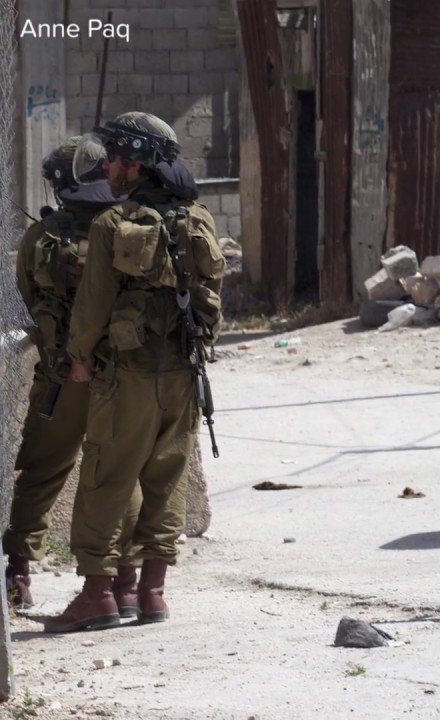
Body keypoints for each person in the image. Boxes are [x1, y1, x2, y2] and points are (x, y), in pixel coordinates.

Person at [45, 112, 225, 633]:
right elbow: (213, 295)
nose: (111, 167)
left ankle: (98, 596)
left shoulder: (109, 224)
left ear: (135, 163)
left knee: (107, 479)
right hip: (184, 373)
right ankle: (150, 593)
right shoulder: (199, 219)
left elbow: (93, 306)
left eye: (118, 159)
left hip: (127, 376)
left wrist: (78, 358)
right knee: (166, 481)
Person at [4, 138, 142, 614]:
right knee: (120, 477)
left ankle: (19, 570)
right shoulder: (129, 229)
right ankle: (125, 583)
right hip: (122, 380)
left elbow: (25, 298)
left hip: (63, 380)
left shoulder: (41, 237)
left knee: (41, 471)